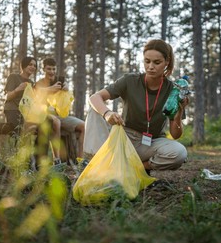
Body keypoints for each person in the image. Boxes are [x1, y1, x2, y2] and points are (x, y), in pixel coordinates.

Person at [84, 39, 188, 173]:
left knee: (179, 153)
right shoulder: (130, 80)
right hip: (124, 137)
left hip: (151, 143)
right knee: (94, 110)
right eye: (147, 61)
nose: (150, 66)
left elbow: (175, 134)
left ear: (166, 62)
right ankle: (97, 163)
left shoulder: (173, 90)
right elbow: (95, 97)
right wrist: (107, 113)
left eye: (157, 62)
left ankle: (136, 168)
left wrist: (180, 110)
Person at [35, 58, 86, 160]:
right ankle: (56, 160)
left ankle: (81, 160)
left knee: (84, 126)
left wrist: (67, 89)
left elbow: (67, 101)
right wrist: (50, 90)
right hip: (45, 116)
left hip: (60, 115)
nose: (52, 72)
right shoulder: (39, 83)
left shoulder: (60, 80)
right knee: (56, 122)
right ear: (43, 69)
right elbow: (36, 99)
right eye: (49, 69)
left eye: (54, 69)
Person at [4, 56, 37, 134]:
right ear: (24, 65)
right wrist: (18, 89)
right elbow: (7, 97)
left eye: (34, 65)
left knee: (39, 128)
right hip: (12, 110)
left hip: (26, 112)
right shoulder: (13, 77)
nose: (33, 67)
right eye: (30, 64)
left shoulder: (31, 83)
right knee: (19, 133)